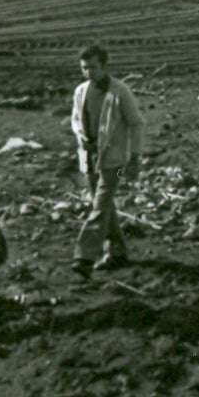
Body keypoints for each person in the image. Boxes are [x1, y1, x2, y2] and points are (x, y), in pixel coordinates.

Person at [70, 44, 145, 275]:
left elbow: (136, 123)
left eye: (93, 67)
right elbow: (75, 120)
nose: (88, 72)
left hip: (115, 162)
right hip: (90, 159)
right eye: (84, 68)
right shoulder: (81, 91)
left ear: (104, 65)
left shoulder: (120, 92)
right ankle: (118, 252)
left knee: (100, 207)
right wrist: (81, 137)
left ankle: (84, 257)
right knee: (103, 206)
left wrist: (135, 157)